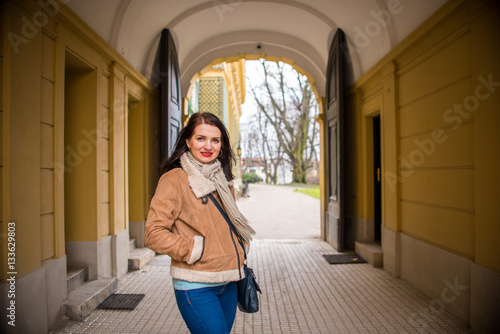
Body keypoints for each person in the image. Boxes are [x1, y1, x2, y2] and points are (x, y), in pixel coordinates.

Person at [144, 112, 256, 334]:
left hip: (229, 280)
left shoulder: (223, 179)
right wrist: (194, 249)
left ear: (222, 145)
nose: (208, 146)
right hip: (196, 285)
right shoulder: (175, 179)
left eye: (215, 140)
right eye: (201, 138)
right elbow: (153, 233)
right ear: (188, 141)